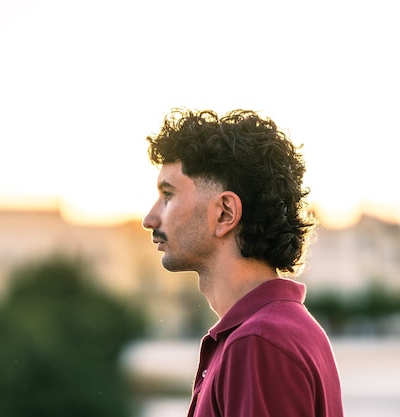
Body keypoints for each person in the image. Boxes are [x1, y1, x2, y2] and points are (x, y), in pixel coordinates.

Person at [142, 109, 344, 417]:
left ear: (224, 213)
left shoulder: (258, 342)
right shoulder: (281, 330)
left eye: (168, 195)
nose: (149, 219)